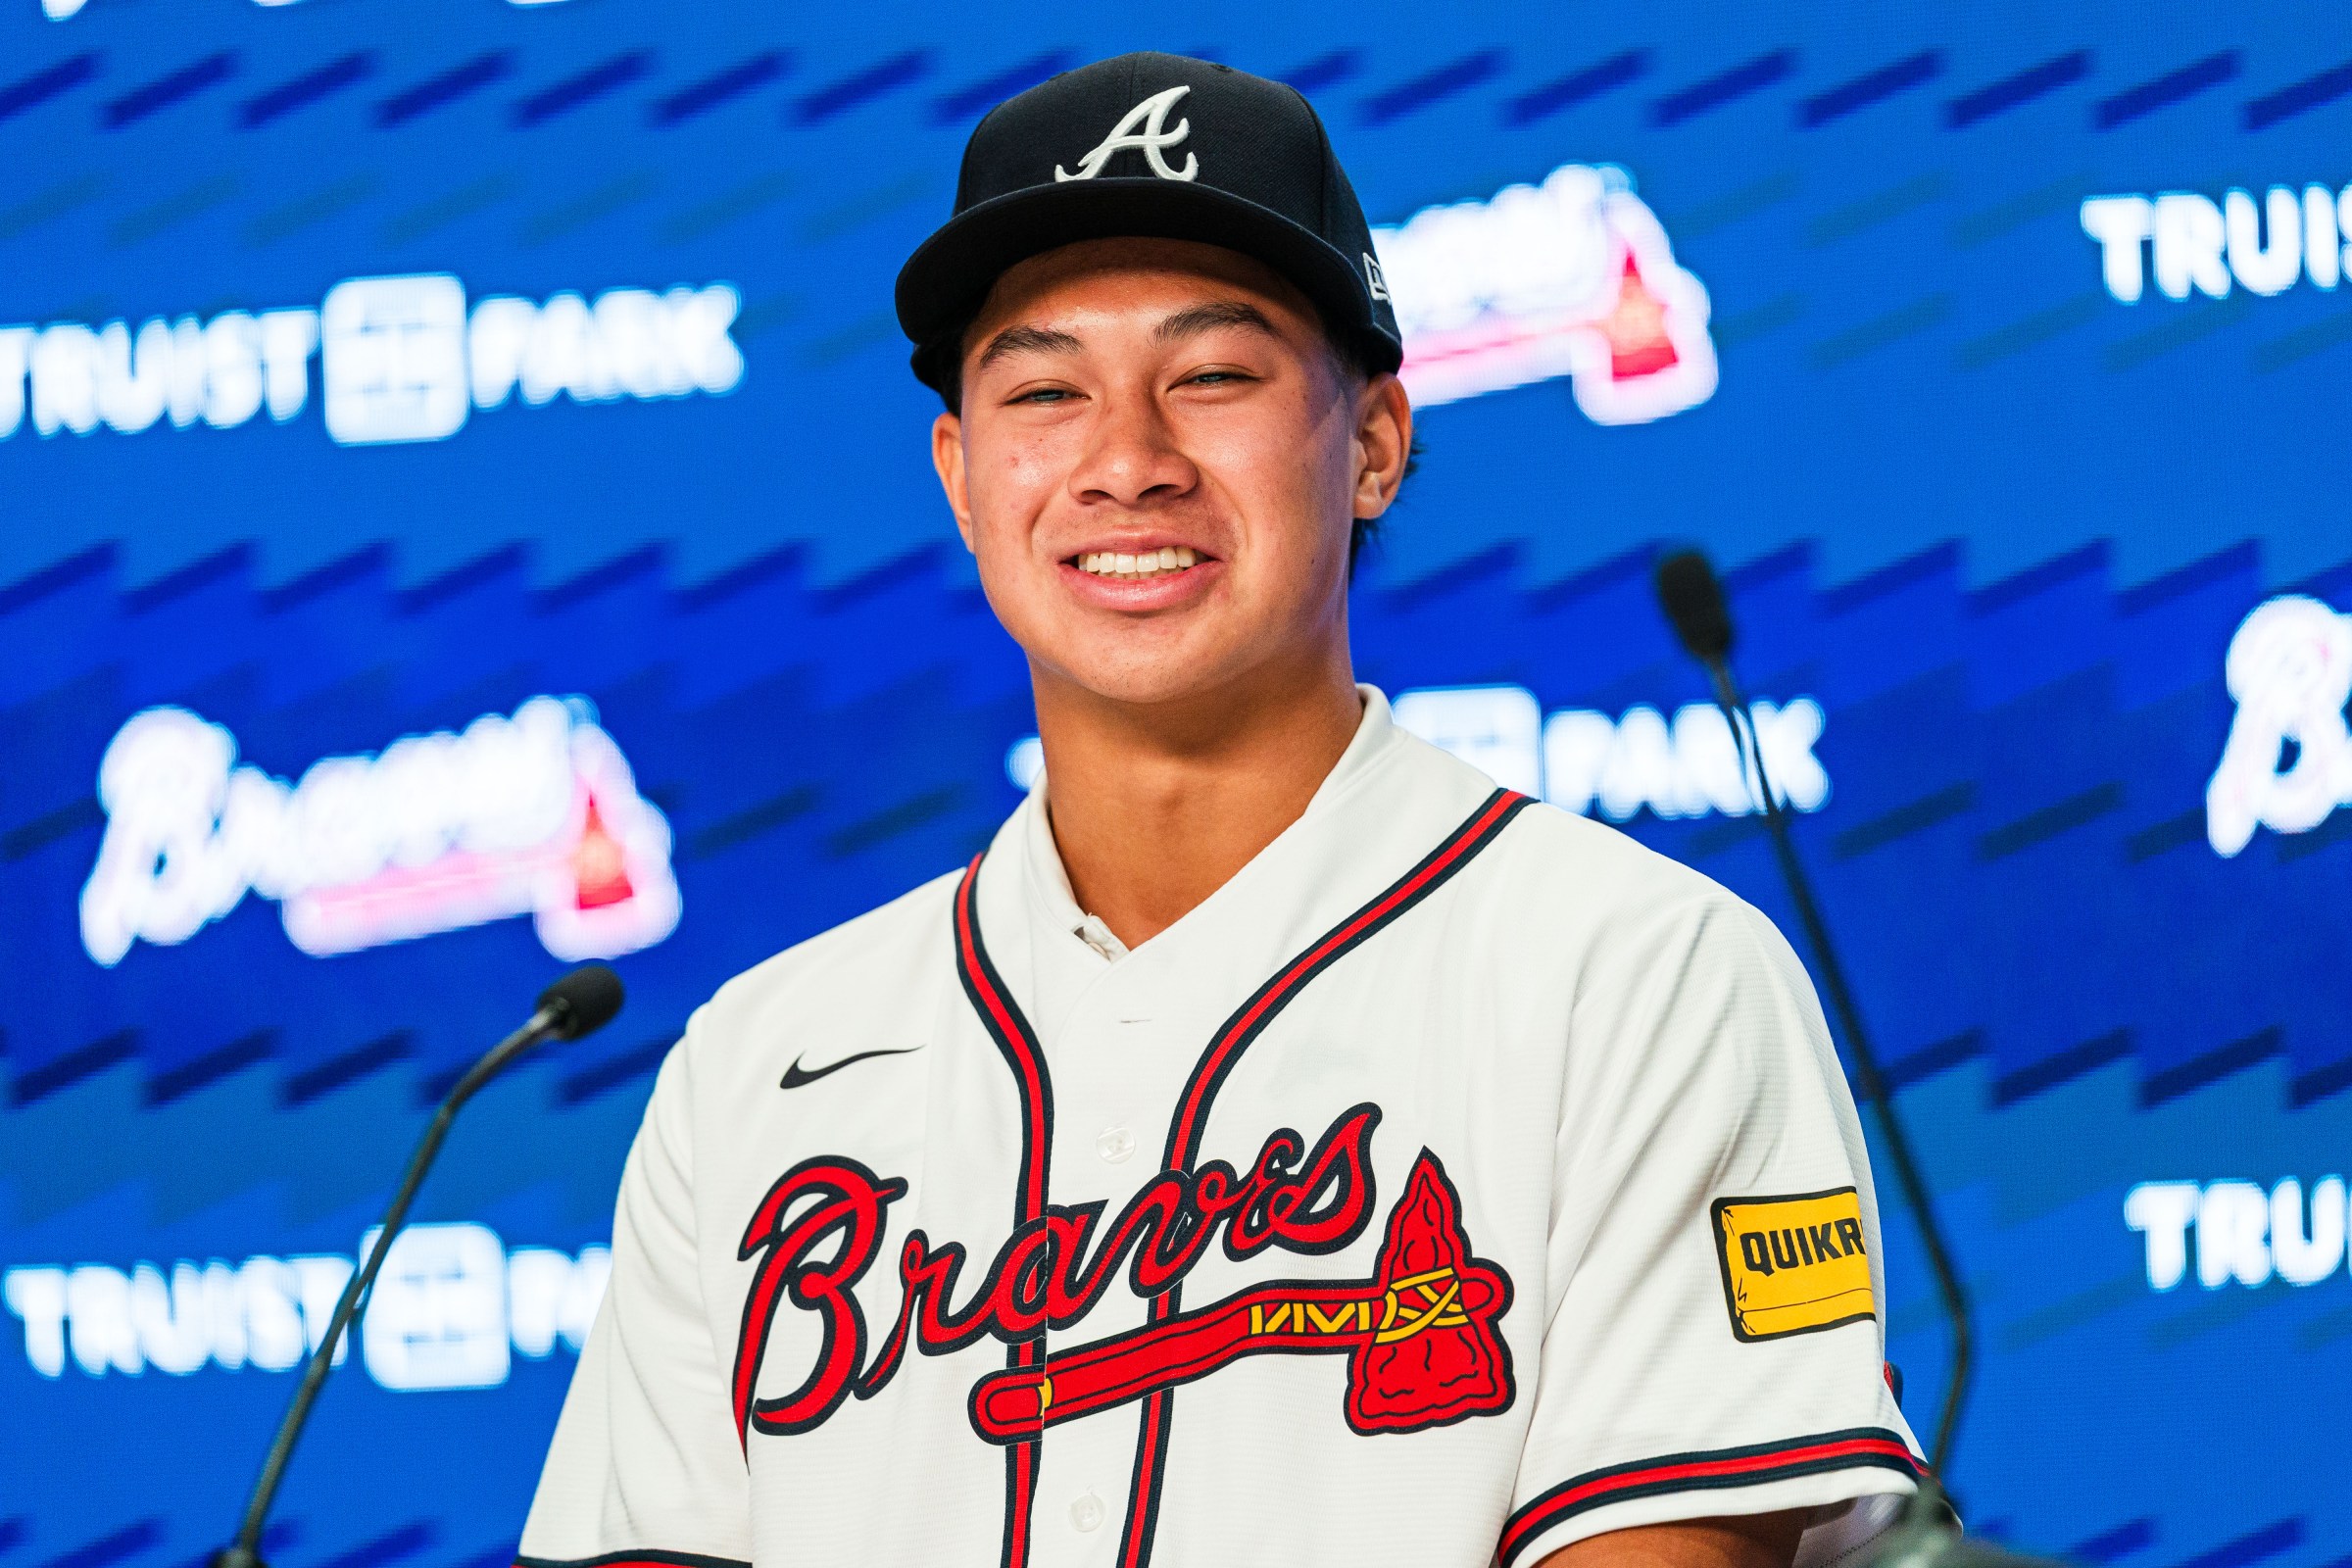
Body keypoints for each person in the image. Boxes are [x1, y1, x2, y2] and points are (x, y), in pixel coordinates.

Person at [518, 51, 1923, 1568]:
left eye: (1213, 377)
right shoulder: (760, 1061)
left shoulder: (1637, 976)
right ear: (963, 474)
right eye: (1046, 391)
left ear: (1374, 444)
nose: (1126, 463)